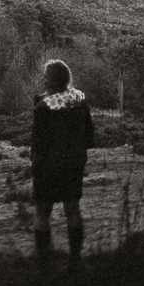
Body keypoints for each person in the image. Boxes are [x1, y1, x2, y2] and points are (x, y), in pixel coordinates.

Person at [30, 58, 95, 265]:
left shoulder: (43, 108)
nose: (43, 79)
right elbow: (90, 138)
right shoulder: (80, 103)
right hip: (74, 165)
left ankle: (44, 263)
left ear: (50, 80)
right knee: (73, 210)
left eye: (45, 76)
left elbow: (39, 143)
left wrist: (36, 164)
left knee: (42, 212)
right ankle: (75, 260)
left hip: (48, 167)